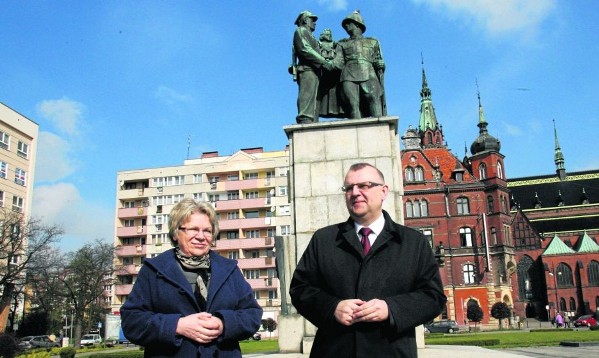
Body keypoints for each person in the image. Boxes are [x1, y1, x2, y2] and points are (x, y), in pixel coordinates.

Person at [290, 163, 446, 357]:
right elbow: (300, 289)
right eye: (349, 188)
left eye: (363, 185)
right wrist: (332, 308)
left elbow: (433, 297)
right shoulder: (324, 240)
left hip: (392, 352)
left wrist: (391, 309)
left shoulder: (414, 242)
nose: (355, 192)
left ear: (384, 191)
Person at [121, 198, 262, 357]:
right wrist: (177, 325)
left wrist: (223, 323)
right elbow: (131, 322)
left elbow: (252, 314)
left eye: (207, 231)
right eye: (194, 229)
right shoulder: (153, 270)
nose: (201, 237)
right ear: (176, 233)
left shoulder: (229, 270)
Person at [333, 11, 387, 119]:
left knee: (374, 100)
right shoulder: (341, 43)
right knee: (352, 106)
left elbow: (379, 62)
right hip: (348, 76)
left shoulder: (373, 42)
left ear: (357, 24)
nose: (346, 26)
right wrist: (322, 62)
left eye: (349, 23)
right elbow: (337, 63)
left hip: (369, 73)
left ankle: (378, 131)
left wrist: (381, 65)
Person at [291, 10, 333, 124]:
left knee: (315, 101)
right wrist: (323, 62)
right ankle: (305, 122)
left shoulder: (311, 36)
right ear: (305, 20)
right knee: (307, 98)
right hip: (307, 70)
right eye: (312, 20)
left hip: (315, 71)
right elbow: (305, 49)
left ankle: (312, 122)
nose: (315, 23)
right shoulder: (301, 31)